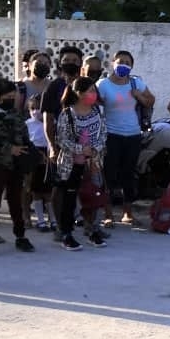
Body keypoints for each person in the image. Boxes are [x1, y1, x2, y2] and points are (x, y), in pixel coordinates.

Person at [0, 78, 38, 259]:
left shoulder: (16, 114)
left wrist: (27, 153)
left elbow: (24, 137)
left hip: (16, 167)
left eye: (14, 95)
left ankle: (20, 236)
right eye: (8, 96)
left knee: (16, 202)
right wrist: (9, 149)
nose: (12, 99)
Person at [97, 50, 156, 226]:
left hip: (133, 135)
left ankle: (127, 213)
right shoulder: (103, 84)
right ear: (112, 63)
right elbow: (95, 105)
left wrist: (139, 96)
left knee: (128, 175)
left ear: (132, 66)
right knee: (109, 175)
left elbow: (151, 100)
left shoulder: (136, 82)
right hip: (110, 135)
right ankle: (108, 214)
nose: (123, 65)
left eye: (127, 62)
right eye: (120, 61)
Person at [53, 76, 109, 251]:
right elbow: (61, 139)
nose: (93, 94)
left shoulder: (97, 112)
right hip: (71, 164)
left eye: (94, 90)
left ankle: (92, 230)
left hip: (93, 162)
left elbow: (103, 134)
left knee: (93, 196)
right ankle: (66, 233)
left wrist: (94, 149)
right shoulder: (67, 114)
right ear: (78, 93)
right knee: (69, 199)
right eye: (90, 90)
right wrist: (80, 149)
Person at [42, 45, 85, 155]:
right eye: (66, 60)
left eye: (75, 60)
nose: (70, 63)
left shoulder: (88, 86)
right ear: (60, 64)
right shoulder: (52, 87)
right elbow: (48, 120)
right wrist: (52, 146)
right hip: (60, 144)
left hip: (85, 143)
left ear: (81, 64)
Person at [25, 93, 54, 232]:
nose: (35, 112)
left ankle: (53, 220)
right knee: (35, 191)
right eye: (32, 108)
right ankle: (40, 221)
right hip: (33, 158)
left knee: (48, 192)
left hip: (48, 159)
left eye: (38, 108)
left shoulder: (50, 123)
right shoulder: (27, 125)